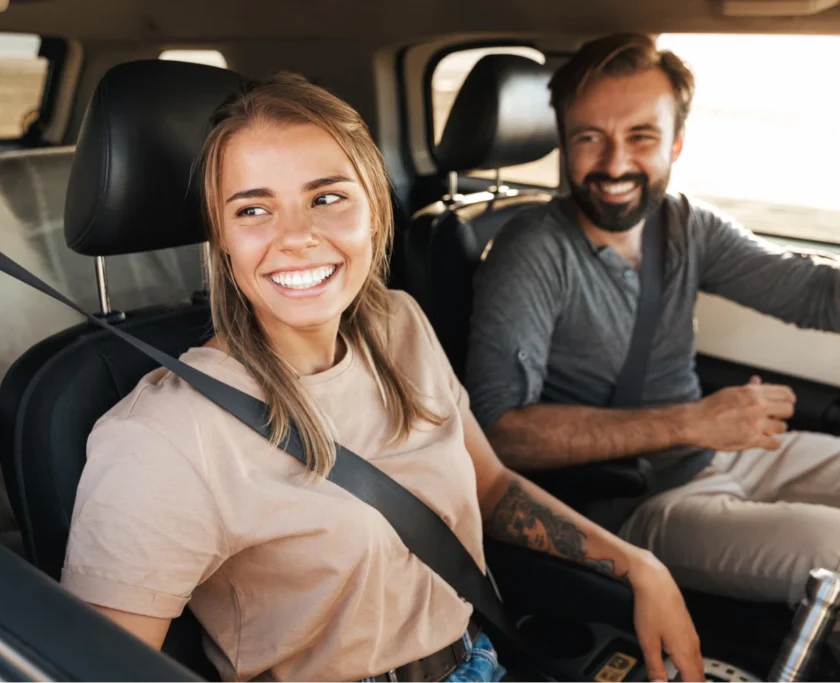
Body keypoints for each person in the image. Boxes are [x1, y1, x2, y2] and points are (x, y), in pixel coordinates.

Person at [60, 74, 703, 683]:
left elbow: (488, 486)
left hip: (480, 658)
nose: (297, 237)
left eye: (326, 198)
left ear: (373, 207)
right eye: (253, 210)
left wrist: (637, 566)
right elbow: (93, 670)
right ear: (222, 237)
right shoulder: (163, 438)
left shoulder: (400, 325)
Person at [466, 33, 840, 608]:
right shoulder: (533, 251)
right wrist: (693, 421)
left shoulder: (687, 226)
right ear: (565, 143)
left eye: (641, 137)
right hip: (633, 500)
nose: (615, 164)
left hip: (723, 453)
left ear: (676, 143)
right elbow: (503, 435)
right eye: (590, 138)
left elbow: (814, 293)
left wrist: (705, 431)